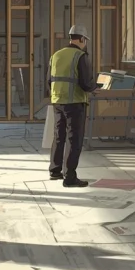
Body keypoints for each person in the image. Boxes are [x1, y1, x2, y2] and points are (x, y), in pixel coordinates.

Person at [47, 24, 100, 187]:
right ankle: (70, 177)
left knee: (58, 136)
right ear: (83, 39)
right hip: (75, 103)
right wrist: (95, 87)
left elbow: (49, 81)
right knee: (74, 139)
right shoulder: (80, 56)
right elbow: (85, 84)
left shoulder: (56, 55)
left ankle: (55, 171)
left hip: (57, 101)